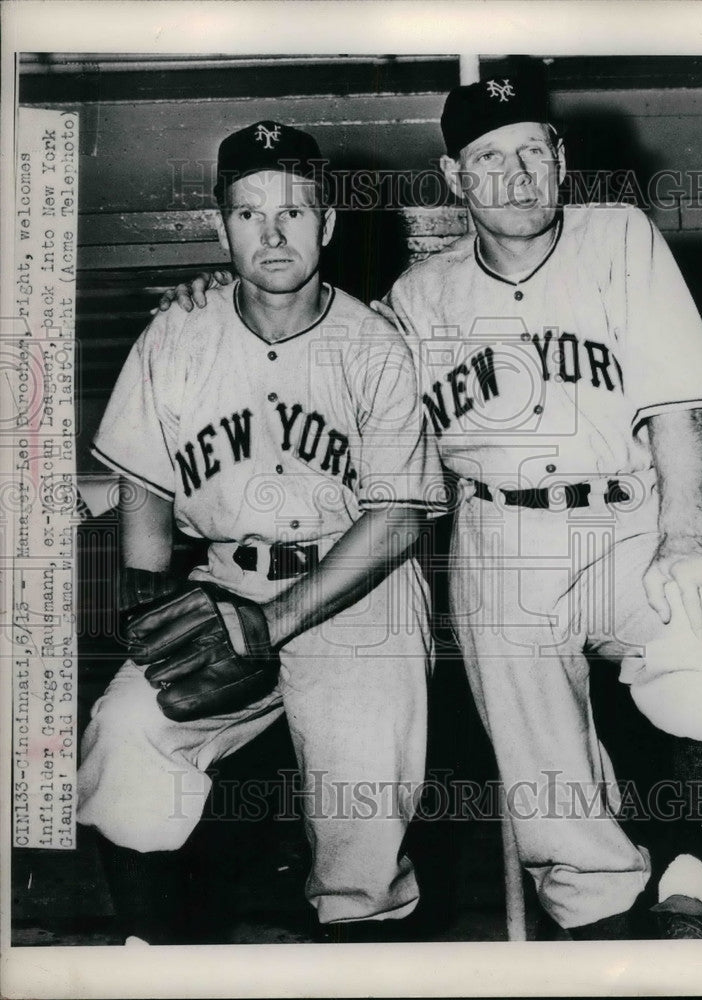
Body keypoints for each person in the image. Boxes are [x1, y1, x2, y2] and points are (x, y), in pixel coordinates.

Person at [156, 63, 702, 940]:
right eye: (488, 159)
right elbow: (323, 356)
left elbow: (673, 399)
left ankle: (688, 865)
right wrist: (223, 299)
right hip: (497, 534)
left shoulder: (617, 237)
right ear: (454, 177)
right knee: (546, 783)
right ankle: (604, 930)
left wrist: (685, 532)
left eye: (531, 152)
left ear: (560, 157)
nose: (515, 177)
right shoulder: (416, 298)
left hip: (630, 517)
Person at [77, 120, 446, 944]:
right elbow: (145, 482)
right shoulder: (178, 331)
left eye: (293, 213)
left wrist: (270, 625)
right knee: (127, 734)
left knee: (360, 817)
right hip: (225, 577)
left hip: (358, 589)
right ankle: (152, 956)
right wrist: (150, 602)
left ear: (329, 223)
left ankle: (362, 960)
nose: (272, 235)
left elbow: (395, 520)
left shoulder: (375, 345)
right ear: (221, 229)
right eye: (249, 214)